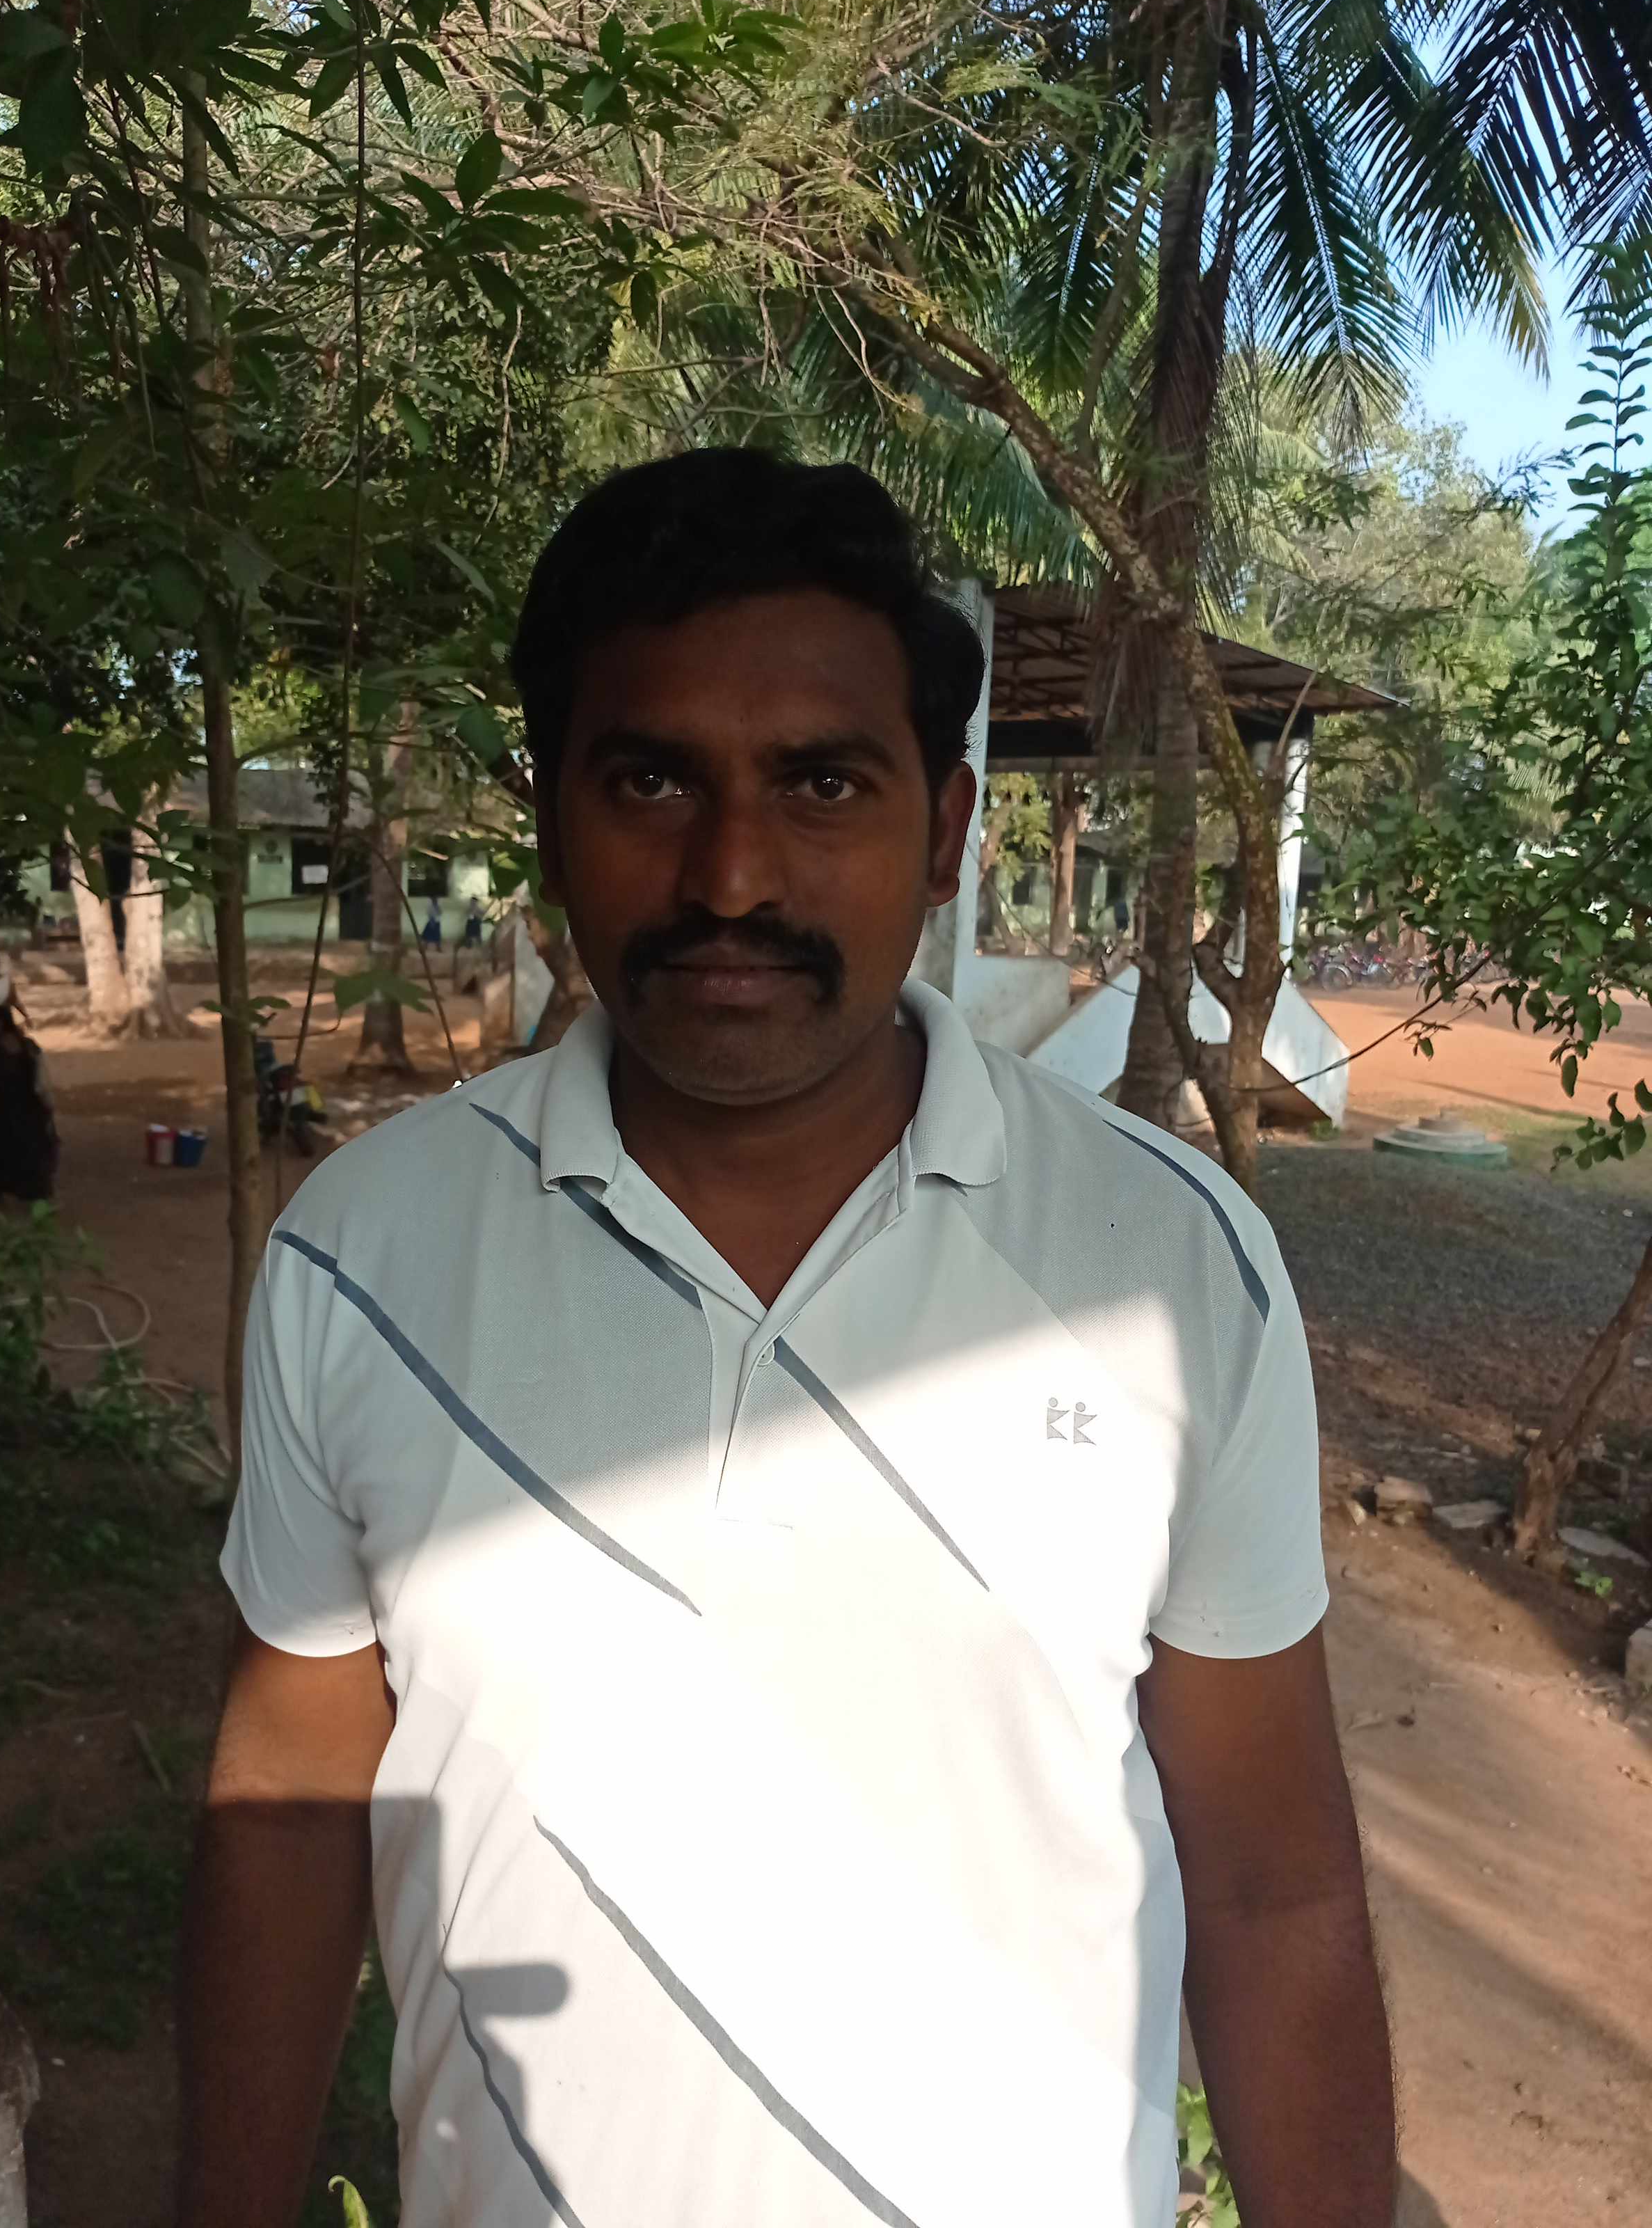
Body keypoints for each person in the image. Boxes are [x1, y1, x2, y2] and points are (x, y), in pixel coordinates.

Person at [180, 452, 1395, 2228]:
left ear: (945, 830)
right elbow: (289, 1810)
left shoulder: (1171, 1267)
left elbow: (1276, 1887)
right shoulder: (360, 1258)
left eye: (821, 783)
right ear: (549, 821)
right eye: (650, 779)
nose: (732, 874)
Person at [0, 1004, 56, 1204]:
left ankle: (27, 1191)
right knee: (1, 1145)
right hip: (8, 1106)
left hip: (22, 1105)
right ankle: (0, 1190)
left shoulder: (21, 1047)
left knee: (21, 1146)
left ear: (1, 1023)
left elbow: (40, 1076)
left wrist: (46, 1100)